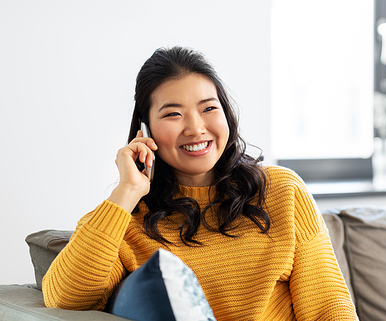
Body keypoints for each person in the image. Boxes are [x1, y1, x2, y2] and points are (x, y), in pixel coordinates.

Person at [42, 46, 357, 320]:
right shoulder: (127, 221)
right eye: (173, 114)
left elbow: (328, 306)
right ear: (145, 128)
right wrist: (127, 191)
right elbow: (65, 298)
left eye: (209, 108)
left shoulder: (282, 190)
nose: (196, 128)